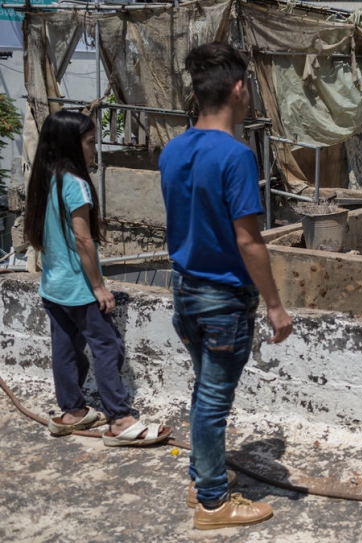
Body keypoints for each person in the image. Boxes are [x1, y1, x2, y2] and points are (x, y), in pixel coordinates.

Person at [160, 42, 293, 530]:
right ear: (238, 89)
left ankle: (202, 478)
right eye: (250, 87)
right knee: (214, 401)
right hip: (222, 299)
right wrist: (276, 306)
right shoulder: (236, 156)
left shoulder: (172, 151)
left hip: (185, 291)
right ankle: (213, 502)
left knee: (204, 392)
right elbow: (248, 240)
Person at [23, 110, 172, 446]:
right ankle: (120, 419)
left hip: (53, 285)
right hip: (79, 288)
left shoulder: (45, 179)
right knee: (107, 347)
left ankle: (72, 411)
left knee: (65, 348)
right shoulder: (75, 185)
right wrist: (99, 286)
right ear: (71, 146)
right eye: (90, 143)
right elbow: (82, 239)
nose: (94, 150)